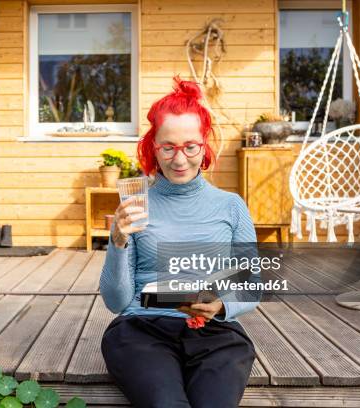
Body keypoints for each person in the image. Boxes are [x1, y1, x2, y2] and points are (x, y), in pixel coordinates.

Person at [100, 77, 260, 408]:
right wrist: (117, 242)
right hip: (141, 330)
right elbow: (117, 301)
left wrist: (222, 304)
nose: (180, 159)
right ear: (152, 147)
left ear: (204, 146)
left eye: (190, 146)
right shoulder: (136, 205)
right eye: (168, 147)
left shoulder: (231, 206)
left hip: (216, 334)